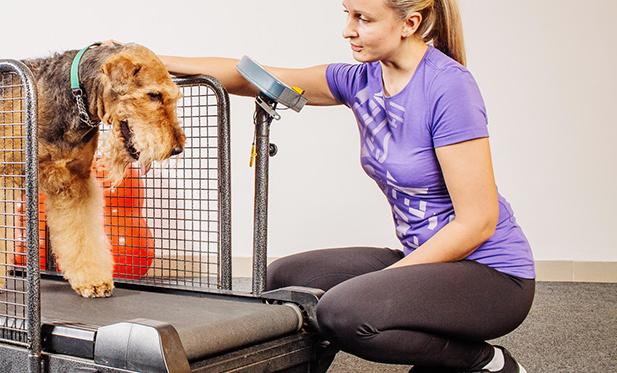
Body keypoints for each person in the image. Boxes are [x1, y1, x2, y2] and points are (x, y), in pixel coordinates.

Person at [118, 0, 536, 371]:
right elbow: (252, 77)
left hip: (491, 275)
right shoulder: (362, 81)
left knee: (344, 312)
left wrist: (386, 280)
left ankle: (483, 362)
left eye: (363, 18)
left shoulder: (448, 86)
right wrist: (140, 60)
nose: (348, 29)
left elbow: (478, 222)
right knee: (281, 279)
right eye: (347, 15)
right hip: (427, 259)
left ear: (409, 23)